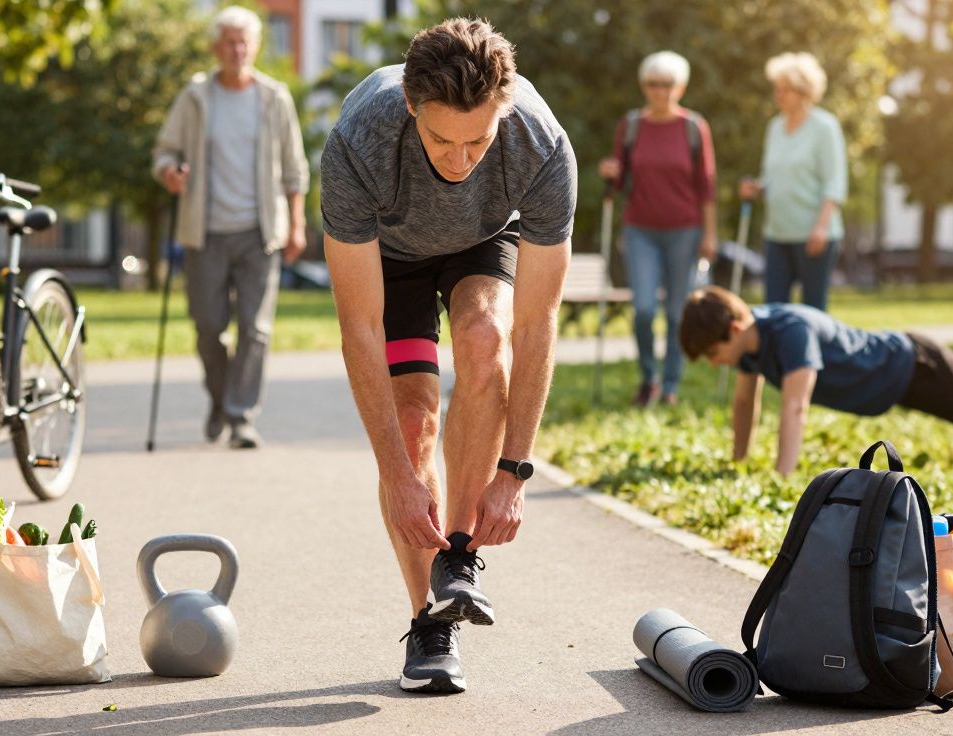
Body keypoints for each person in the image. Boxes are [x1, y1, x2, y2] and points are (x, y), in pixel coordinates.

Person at [320, 19, 576, 694]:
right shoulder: (358, 142)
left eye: (477, 141)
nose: (460, 160)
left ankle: (457, 561)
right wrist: (397, 475)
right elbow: (360, 328)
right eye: (441, 140)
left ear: (504, 111)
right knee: (413, 424)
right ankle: (427, 624)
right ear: (411, 106)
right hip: (390, 255)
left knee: (486, 339)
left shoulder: (540, 145)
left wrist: (513, 473)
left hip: (485, 241)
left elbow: (538, 323)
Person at [680, 286, 953, 476]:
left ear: (734, 329)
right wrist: (739, 463)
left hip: (914, 366)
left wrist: (781, 478)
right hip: (894, 382)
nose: (715, 364)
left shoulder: (790, 332)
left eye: (714, 354)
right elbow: (744, 403)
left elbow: (795, 406)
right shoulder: (749, 346)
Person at [152, 5, 310, 449]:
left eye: (244, 42)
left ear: (255, 47)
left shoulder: (274, 97)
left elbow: (295, 168)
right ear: (215, 48)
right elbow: (164, 151)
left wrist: (297, 224)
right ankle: (221, 399)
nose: (237, 50)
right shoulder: (195, 97)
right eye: (229, 42)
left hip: (260, 232)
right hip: (204, 232)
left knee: (255, 329)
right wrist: (169, 173)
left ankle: (241, 416)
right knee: (208, 326)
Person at [598, 50, 717, 407]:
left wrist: (710, 234)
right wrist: (610, 173)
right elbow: (619, 181)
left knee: (678, 313)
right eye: (653, 84)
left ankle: (670, 386)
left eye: (667, 84)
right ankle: (648, 378)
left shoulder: (693, 127)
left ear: (680, 87)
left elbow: (706, 186)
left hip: (684, 230)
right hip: (640, 230)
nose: (660, 90)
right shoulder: (631, 126)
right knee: (645, 309)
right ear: (644, 86)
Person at [739, 52, 847, 311]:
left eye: (785, 90)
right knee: (774, 310)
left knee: (813, 310)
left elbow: (835, 182)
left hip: (813, 233)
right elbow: (771, 177)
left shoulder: (824, 127)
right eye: (776, 89)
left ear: (804, 92)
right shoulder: (775, 127)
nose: (778, 96)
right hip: (777, 232)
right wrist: (757, 188)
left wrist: (821, 227)